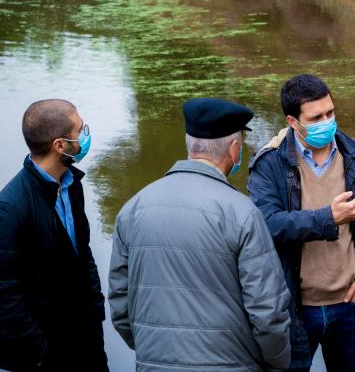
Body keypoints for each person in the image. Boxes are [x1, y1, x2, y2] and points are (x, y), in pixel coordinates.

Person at [108, 98, 291, 372]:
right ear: (234, 148)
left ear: (189, 143)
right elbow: (268, 312)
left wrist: (154, 348)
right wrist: (277, 363)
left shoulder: (132, 209)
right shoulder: (243, 213)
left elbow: (120, 303)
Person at [248, 74, 355, 372]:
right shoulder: (269, 164)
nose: (327, 121)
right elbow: (267, 225)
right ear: (293, 121)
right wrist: (328, 218)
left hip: (350, 304)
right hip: (294, 309)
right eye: (316, 117)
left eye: (330, 113)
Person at [0, 99, 107, 371]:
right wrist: (40, 353)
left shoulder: (71, 184)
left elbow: (83, 253)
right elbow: (3, 296)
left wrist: (96, 312)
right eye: (80, 130)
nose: (86, 136)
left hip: (86, 338)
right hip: (44, 352)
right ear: (59, 145)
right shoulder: (8, 210)